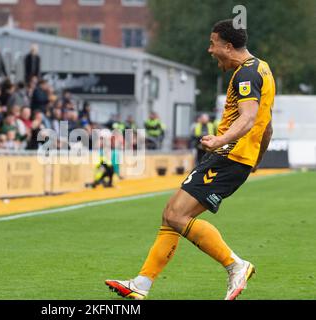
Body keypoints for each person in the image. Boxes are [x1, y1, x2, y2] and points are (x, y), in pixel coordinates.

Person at [105, 19, 275, 300]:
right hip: (235, 157)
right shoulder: (264, 69)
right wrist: (258, 157)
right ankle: (141, 284)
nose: (210, 50)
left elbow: (248, 118)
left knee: (176, 215)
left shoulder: (245, 75)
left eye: (213, 44)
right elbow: (266, 125)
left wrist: (220, 140)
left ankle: (236, 265)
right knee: (170, 215)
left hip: (229, 156)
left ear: (229, 46)